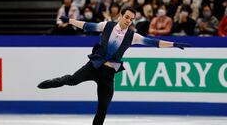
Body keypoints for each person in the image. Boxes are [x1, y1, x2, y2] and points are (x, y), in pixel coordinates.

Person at [37, 7, 190, 125]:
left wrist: (173, 44)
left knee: (103, 108)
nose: (128, 20)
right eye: (127, 17)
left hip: (108, 76)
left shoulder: (133, 36)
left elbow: (153, 42)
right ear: (120, 16)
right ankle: (53, 82)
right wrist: (69, 20)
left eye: (131, 19)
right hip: (94, 66)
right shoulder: (107, 25)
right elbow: (87, 26)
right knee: (71, 80)